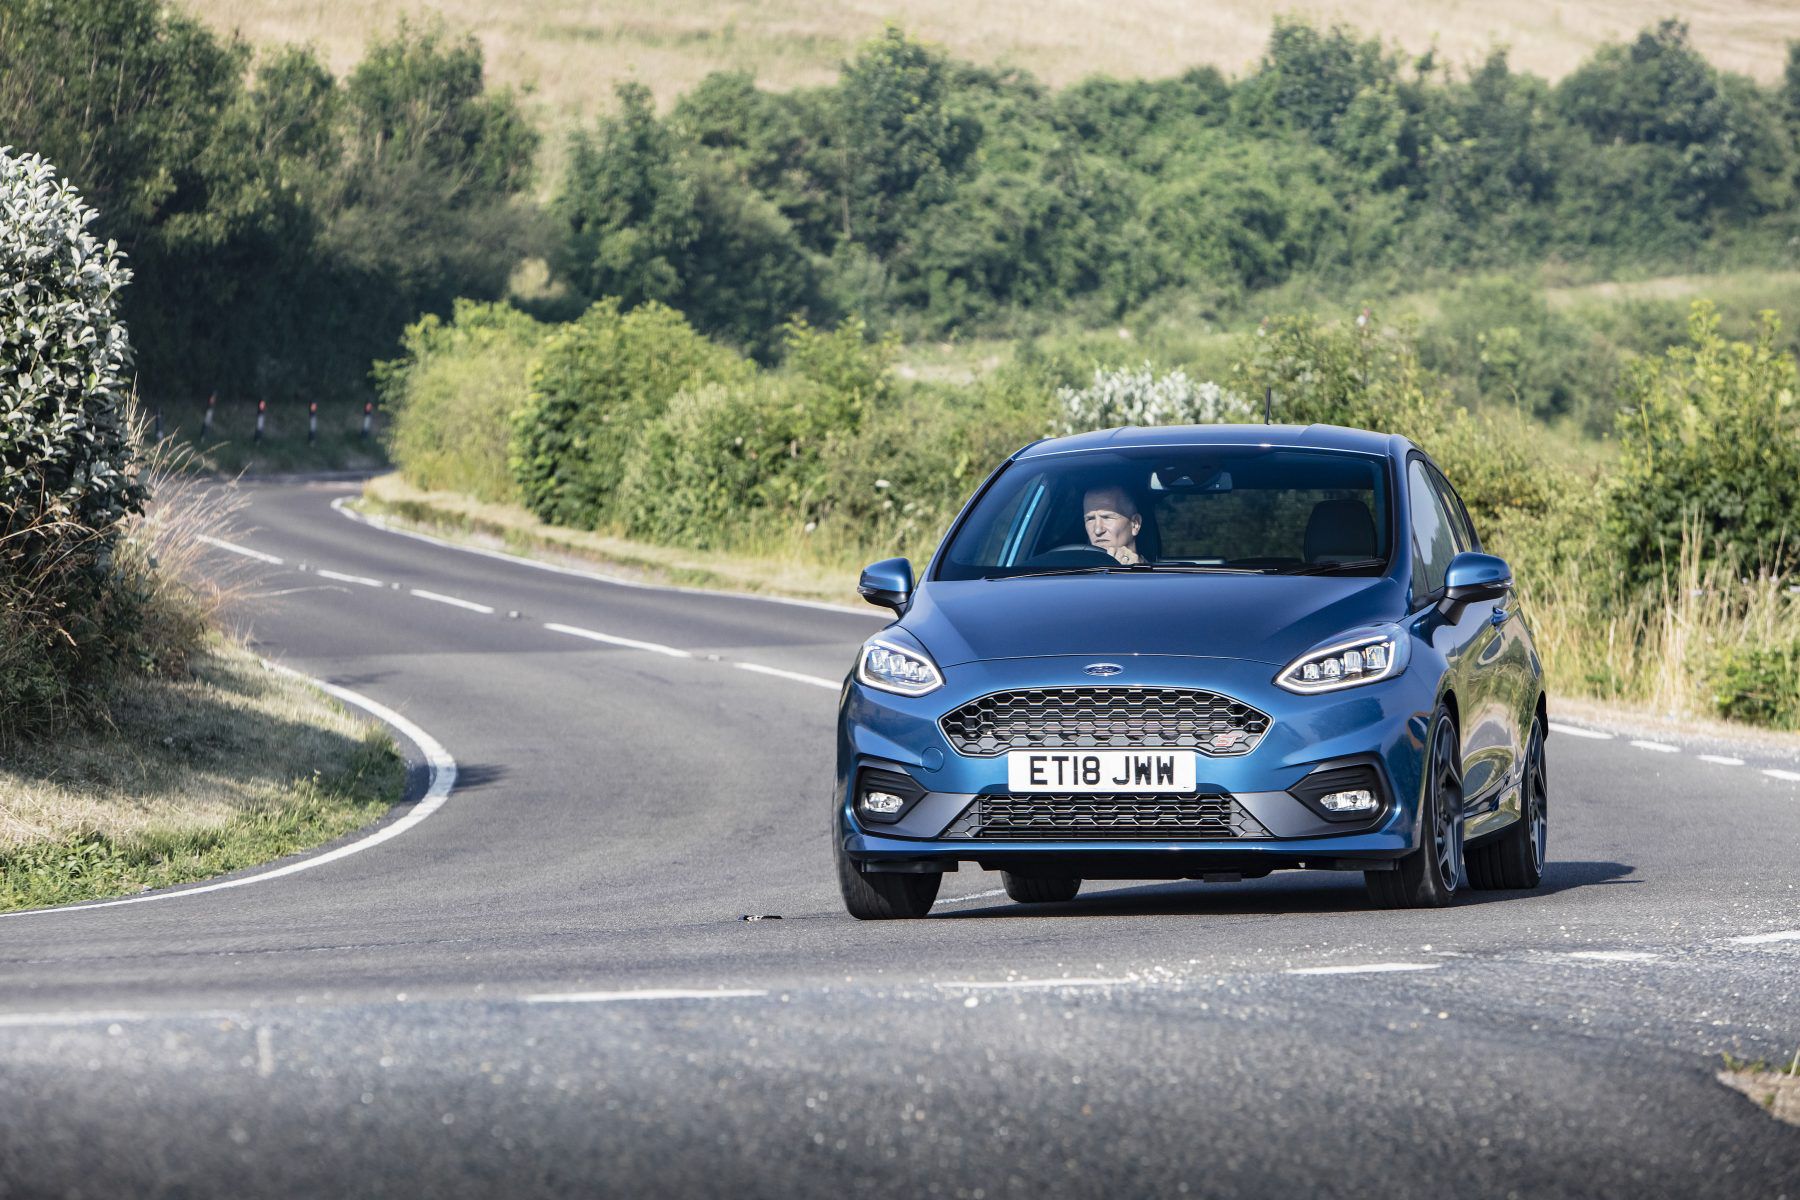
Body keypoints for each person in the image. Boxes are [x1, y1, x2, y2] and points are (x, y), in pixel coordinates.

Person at [1083, 485, 1147, 565]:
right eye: (1090, 519)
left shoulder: (1156, 572)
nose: (1098, 530)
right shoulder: (1074, 569)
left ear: (1135, 524)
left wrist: (1136, 569)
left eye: (1107, 517)